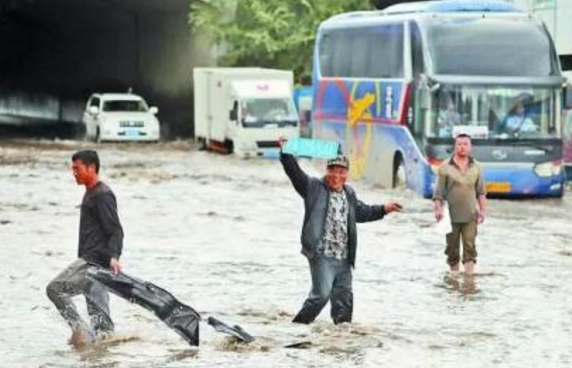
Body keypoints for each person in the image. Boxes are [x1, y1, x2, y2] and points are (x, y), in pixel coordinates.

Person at [279, 138, 402, 324]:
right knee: (321, 295)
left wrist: (384, 209)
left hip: (344, 258)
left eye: (341, 172)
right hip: (321, 255)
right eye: (332, 171)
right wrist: (286, 152)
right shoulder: (313, 187)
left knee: (344, 300)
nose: (336, 176)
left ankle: (341, 339)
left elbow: (361, 212)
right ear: (326, 171)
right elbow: (294, 173)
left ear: (347, 174)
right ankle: (297, 327)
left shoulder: (349, 193)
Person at [46, 150, 123, 348]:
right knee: (103, 330)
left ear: (91, 168)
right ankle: (101, 356)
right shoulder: (91, 192)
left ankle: (81, 332)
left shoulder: (102, 194)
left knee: (55, 289)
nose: (74, 173)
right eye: (72, 169)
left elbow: (115, 231)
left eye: (77, 168)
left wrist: (114, 256)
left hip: (94, 263)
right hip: (96, 266)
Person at [433, 134, 487, 276]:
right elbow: (438, 192)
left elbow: (481, 191)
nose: (462, 147)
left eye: (465, 144)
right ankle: (454, 278)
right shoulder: (445, 167)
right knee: (452, 248)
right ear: (455, 146)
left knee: (470, 246)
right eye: (459, 144)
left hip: (470, 215)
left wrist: (483, 210)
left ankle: (469, 279)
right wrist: (437, 210)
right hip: (450, 215)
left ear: (470, 147)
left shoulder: (477, 166)